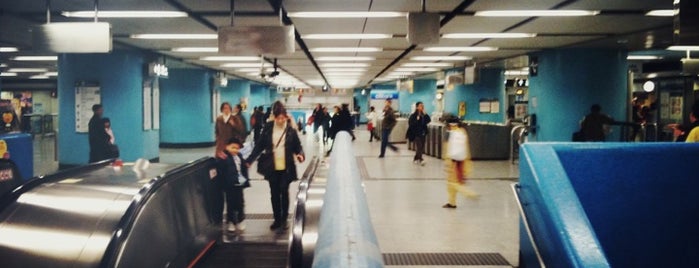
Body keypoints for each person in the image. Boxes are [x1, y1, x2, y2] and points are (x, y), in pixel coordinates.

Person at [246, 101, 305, 231]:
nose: (280, 120)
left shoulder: (290, 130)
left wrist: (300, 154)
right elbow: (259, 146)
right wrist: (250, 160)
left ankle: (284, 220)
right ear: (274, 116)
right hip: (271, 166)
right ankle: (277, 219)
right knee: (274, 193)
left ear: (286, 116)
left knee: (284, 192)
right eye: (278, 118)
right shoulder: (268, 128)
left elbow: (298, 146)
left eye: (283, 118)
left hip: (286, 167)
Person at [215, 137, 251, 232]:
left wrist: (245, 180)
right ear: (227, 147)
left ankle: (240, 219)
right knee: (230, 204)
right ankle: (231, 221)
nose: (235, 150)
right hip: (229, 185)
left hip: (239, 183)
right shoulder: (223, 157)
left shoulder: (239, 156)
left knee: (240, 203)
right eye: (233, 147)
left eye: (237, 148)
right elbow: (220, 171)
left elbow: (243, 169)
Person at [443, 117, 478, 209]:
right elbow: (466, 147)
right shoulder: (462, 131)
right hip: (462, 160)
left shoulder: (450, 133)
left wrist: (446, 161)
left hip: (453, 161)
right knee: (451, 183)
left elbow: (447, 148)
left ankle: (469, 193)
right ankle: (452, 203)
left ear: (451, 124)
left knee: (453, 183)